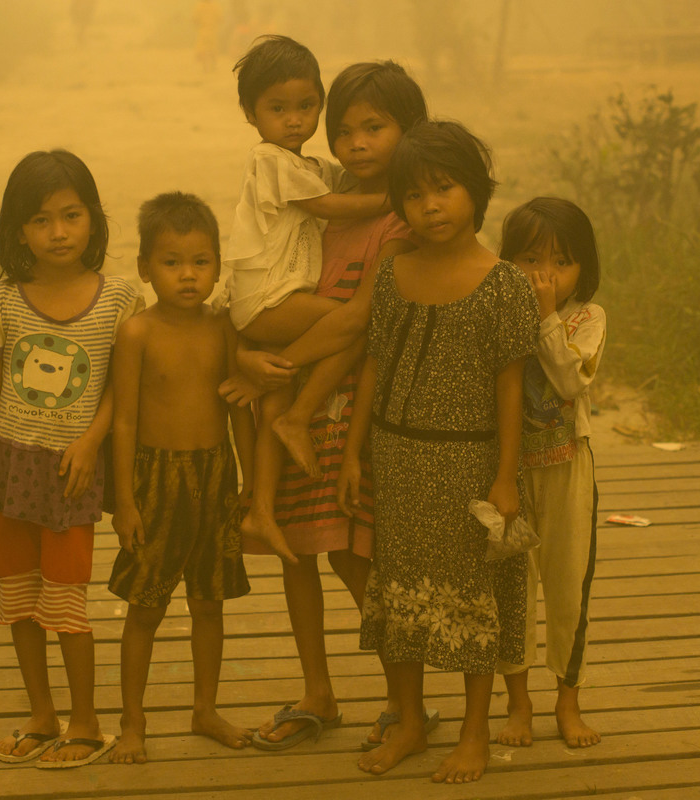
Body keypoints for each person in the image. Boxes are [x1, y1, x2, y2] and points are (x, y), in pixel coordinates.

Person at [228, 61, 438, 752]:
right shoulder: (321, 193)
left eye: (374, 128)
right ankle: (318, 688)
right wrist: (249, 360)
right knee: (295, 553)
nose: (356, 144)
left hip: (358, 411)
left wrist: (270, 374)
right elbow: (267, 287)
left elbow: (357, 323)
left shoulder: (403, 222)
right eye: (344, 130)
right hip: (297, 394)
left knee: (356, 557)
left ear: (411, 130)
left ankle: (404, 701)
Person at [338, 120, 539, 781]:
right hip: (398, 460)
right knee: (395, 597)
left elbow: (511, 384)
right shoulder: (394, 273)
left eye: (445, 188)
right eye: (416, 194)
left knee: (472, 598)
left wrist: (506, 477)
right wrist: (352, 452)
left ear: (475, 191)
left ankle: (476, 732)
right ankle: (411, 720)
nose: (431, 206)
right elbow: (374, 363)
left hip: (470, 466)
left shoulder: (503, 282)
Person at [0, 150, 143, 768]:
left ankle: (87, 722)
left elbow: (125, 384)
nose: (59, 233)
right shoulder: (2, 300)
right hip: (11, 467)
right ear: (18, 230)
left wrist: (91, 440)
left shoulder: (119, 299)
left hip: (71, 473)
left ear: (93, 218)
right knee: (18, 597)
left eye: (71, 215)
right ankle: (42, 714)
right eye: (41, 220)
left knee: (66, 601)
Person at [222, 35, 390, 565]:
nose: (294, 120)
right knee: (351, 324)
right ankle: (299, 418)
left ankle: (262, 507)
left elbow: (330, 184)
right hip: (269, 299)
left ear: (318, 102)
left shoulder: (304, 163)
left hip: (275, 299)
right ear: (251, 114)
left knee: (275, 386)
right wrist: (399, 194)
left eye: (305, 106)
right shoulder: (270, 159)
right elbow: (332, 205)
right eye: (277, 109)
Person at [106, 192, 257, 764]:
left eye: (202, 262)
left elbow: (237, 405)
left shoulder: (222, 327)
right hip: (156, 478)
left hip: (215, 472)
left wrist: (247, 481)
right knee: (145, 608)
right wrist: (125, 501)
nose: (188, 275)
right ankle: (133, 721)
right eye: (172, 263)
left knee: (209, 602)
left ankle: (204, 709)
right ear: (145, 268)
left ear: (218, 265)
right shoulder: (138, 333)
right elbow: (123, 420)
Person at [495, 197, 606, 750]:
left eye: (561, 261)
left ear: (583, 267)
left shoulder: (588, 319)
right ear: (506, 261)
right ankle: (518, 703)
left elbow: (568, 382)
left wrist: (544, 317)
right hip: (509, 470)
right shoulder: (497, 308)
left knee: (568, 588)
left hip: (567, 468)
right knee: (511, 588)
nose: (545, 275)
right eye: (531, 259)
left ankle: (568, 698)